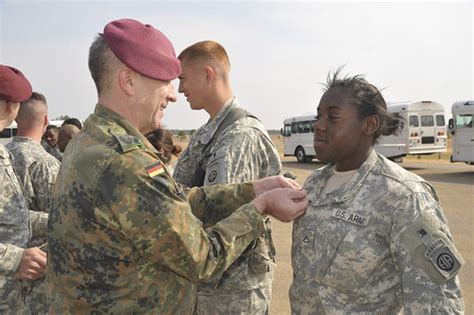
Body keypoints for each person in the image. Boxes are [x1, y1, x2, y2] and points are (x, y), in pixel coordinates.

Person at [46, 18, 308, 314]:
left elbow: (174, 200)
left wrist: (252, 190)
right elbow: (202, 256)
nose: (172, 94)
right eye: (163, 81)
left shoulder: (90, 138)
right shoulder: (126, 162)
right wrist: (261, 207)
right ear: (128, 80)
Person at [290, 69, 464, 314]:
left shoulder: (404, 197)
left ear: (369, 124)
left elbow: (438, 301)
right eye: (319, 117)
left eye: (333, 117)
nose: (318, 126)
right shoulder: (314, 184)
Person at [174, 40, 282, 314]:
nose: (180, 89)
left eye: (183, 78)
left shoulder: (239, 136)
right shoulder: (206, 134)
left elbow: (217, 214)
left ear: (208, 75)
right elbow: (177, 194)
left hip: (232, 288)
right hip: (210, 281)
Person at [0, 65, 49, 313]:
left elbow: (10, 218)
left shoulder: (3, 151)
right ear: (12, 108)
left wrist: (56, 221)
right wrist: (14, 259)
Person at [6, 91, 60, 314]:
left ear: (17, 117)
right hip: (38, 279)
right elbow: (60, 220)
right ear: (46, 120)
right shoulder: (46, 163)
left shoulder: (5, 155)